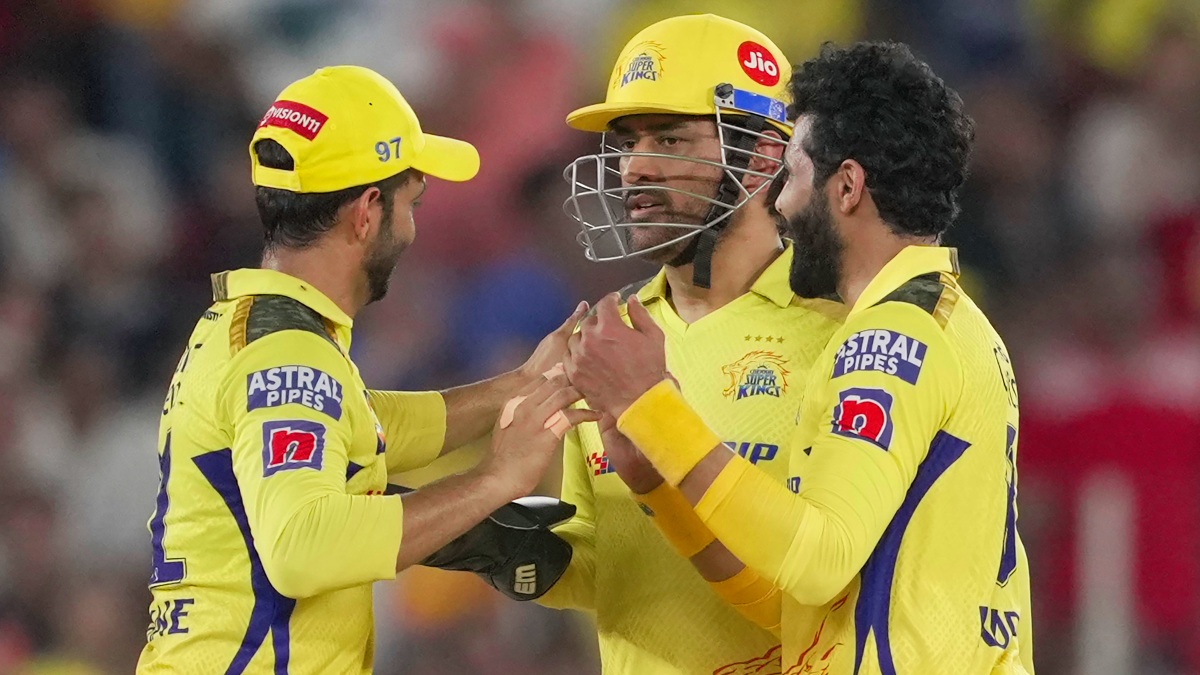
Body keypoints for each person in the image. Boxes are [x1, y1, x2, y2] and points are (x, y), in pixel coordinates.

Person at [564, 42, 1035, 674]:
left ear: (847, 187)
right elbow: (790, 603)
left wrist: (656, 409)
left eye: (791, 176)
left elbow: (817, 561)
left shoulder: (893, 336)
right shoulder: (933, 320)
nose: (780, 204)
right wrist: (655, 486)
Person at [136, 65, 597, 674]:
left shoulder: (249, 326)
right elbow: (302, 546)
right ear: (366, 212)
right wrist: (494, 480)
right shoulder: (287, 351)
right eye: (412, 204)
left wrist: (519, 388)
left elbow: (358, 425)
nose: (412, 229)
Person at [535, 15, 844, 674]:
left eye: (669, 138)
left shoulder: (845, 333)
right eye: (626, 143)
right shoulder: (605, 339)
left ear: (761, 157)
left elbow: (835, 588)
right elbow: (611, 562)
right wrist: (493, 544)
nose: (634, 168)